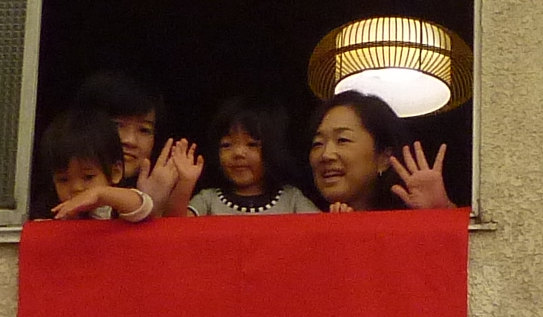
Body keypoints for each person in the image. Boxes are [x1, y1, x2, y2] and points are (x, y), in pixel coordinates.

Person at [71, 70, 196, 216]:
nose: (130, 140)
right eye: (117, 125)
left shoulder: (162, 195)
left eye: (144, 130)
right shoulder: (64, 190)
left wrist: (155, 203)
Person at [308, 90, 453, 212]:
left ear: (384, 158)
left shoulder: (403, 226)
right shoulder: (303, 225)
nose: (326, 155)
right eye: (318, 143)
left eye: (342, 140)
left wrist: (440, 212)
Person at [185, 98, 319, 216]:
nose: (238, 153)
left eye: (251, 144)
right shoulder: (208, 199)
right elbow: (180, 225)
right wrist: (185, 183)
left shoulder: (291, 199)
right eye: (226, 145)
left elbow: (320, 227)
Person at [40, 108, 154, 222]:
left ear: (115, 172)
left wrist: (100, 195)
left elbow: (143, 206)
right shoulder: (53, 217)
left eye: (88, 177)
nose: (76, 188)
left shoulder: (115, 210)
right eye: (63, 180)